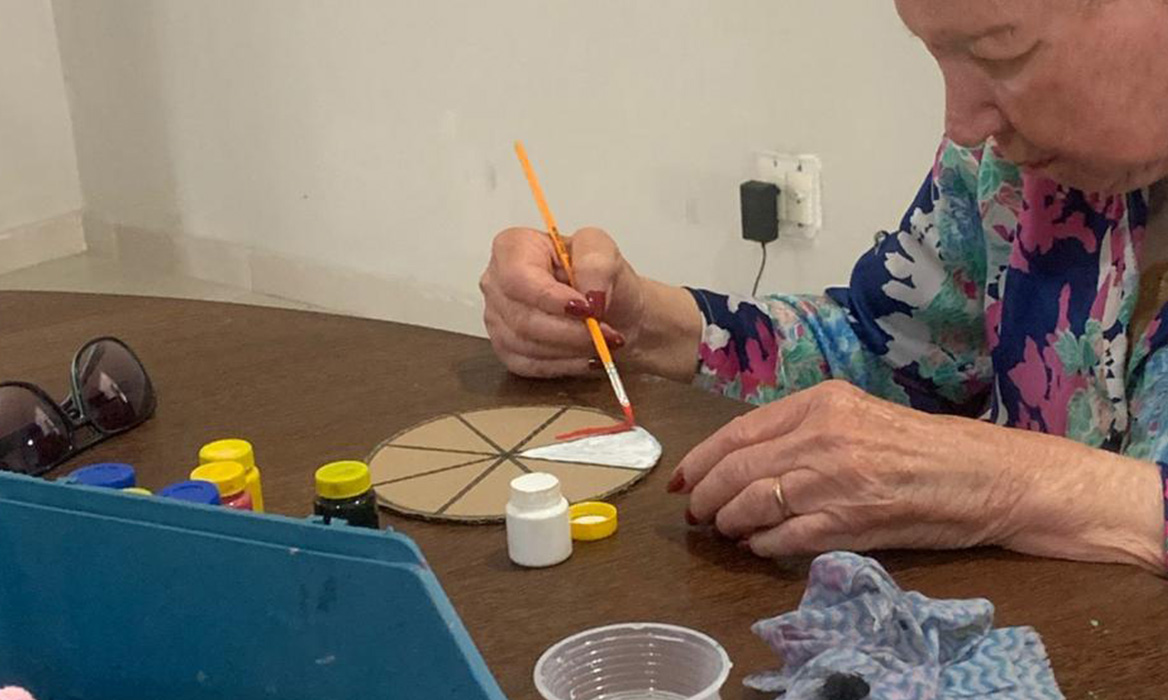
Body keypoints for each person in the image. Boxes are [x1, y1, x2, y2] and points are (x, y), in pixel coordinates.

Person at [479, 0, 1168, 573]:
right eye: (940, 57)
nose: (962, 123)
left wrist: (1006, 483)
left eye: (1000, 56)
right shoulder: (1012, 168)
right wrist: (636, 320)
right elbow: (888, 349)